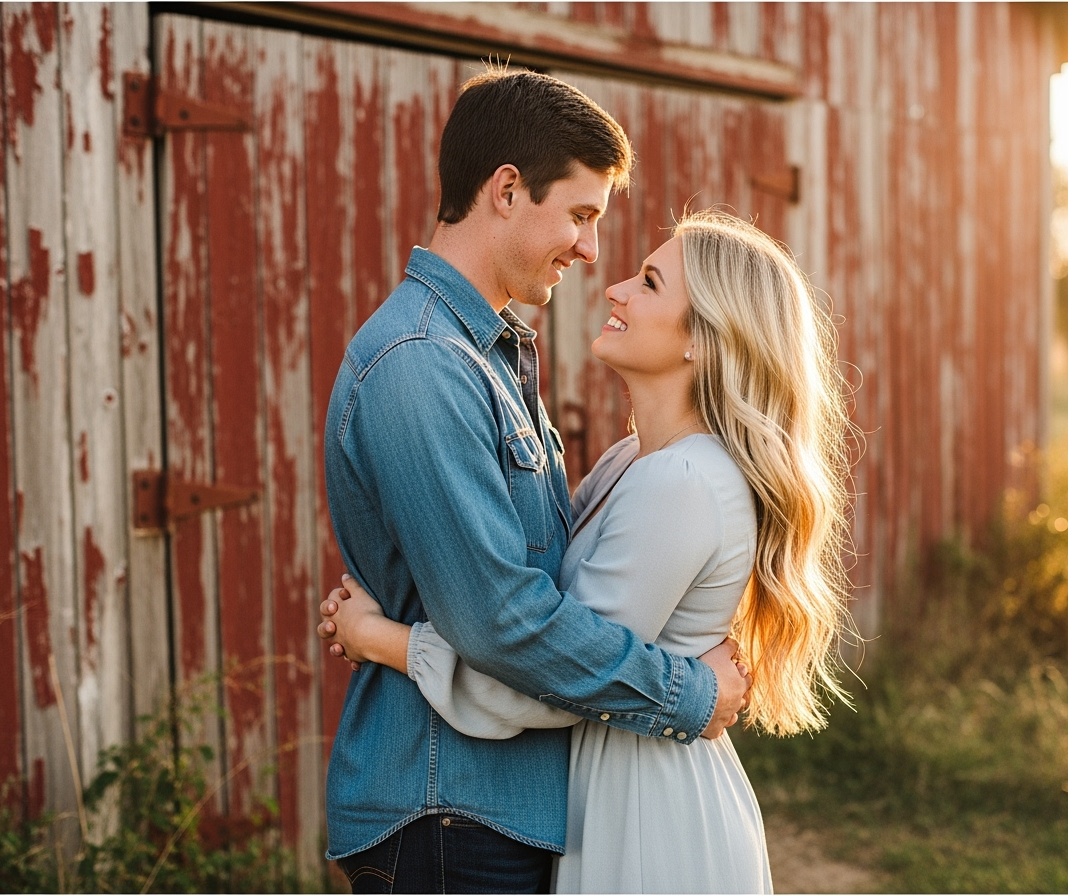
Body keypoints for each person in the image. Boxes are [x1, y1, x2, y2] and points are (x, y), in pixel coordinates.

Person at [321, 208, 854, 893]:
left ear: (705, 341)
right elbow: (550, 641)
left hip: (652, 817)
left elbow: (547, 680)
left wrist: (382, 640)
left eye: (651, 283)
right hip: (609, 788)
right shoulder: (634, 460)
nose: (616, 287)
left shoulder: (683, 482)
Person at [320, 68, 751, 894]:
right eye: (582, 216)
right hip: (447, 808)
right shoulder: (423, 366)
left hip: (492, 807)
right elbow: (506, 621)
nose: (592, 250)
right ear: (508, 191)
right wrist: (686, 694)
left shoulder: (487, 356)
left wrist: (380, 636)